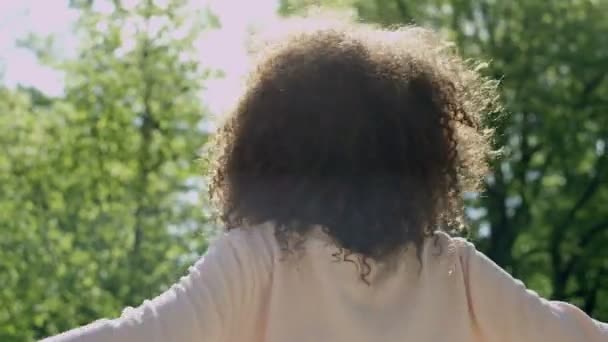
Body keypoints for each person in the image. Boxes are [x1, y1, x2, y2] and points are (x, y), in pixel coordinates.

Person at [43, 19, 608, 342]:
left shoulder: (256, 259)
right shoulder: (451, 267)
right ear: (422, 156)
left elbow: (135, 338)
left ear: (268, 144)